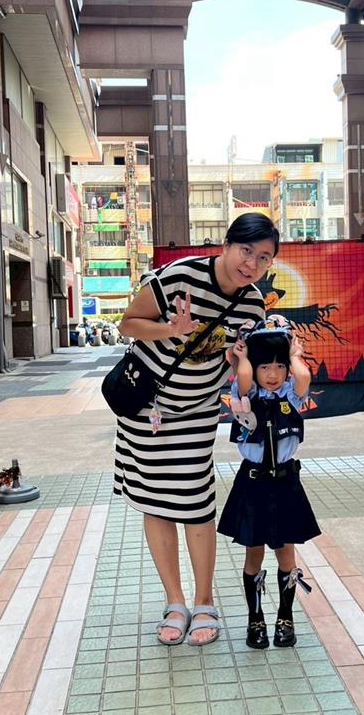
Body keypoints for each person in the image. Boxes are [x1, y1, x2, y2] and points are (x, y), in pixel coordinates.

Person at [115, 213, 276, 646]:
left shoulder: (253, 305)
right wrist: (170, 328)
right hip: (146, 405)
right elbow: (128, 323)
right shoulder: (180, 276)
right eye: (246, 251)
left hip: (198, 410)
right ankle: (175, 602)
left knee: (195, 500)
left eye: (263, 257)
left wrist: (240, 362)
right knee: (155, 500)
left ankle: (204, 601)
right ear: (227, 245)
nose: (252, 264)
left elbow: (237, 369)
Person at [217, 317, 320, 649]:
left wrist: (295, 355)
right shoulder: (246, 395)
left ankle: (285, 618)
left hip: (286, 483)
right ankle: (255, 618)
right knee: (254, 554)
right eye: (265, 367)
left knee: (286, 555)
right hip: (253, 484)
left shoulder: (291, 393)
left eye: (279, 366)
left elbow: (302, 378)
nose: (273, 374)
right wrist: (243, 358)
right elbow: (244, 378)